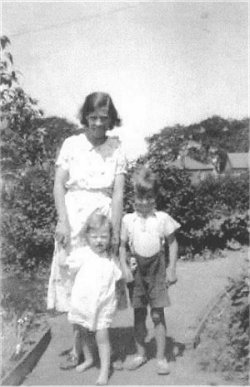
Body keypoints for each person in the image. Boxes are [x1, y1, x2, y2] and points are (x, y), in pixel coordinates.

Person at [47, 92, 127, 369]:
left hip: (100, 222)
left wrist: (115, 231)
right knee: (73, 282)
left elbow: (118, 194)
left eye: (103, 118)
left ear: (110, 119)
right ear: (85, 117)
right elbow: (59, 184)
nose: (96, 123)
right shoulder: (71, 144)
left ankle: (99, 347)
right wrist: (62, 221)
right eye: (92, 117)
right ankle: (76, 349)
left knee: (98, 283)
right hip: (73, 216)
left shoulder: (116, 148)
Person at [119, 166, 180, 375]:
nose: (144, 203)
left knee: (157, 314)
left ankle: (161, 358)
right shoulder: (128, 220)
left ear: (155, 197)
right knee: (138, 314)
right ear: (133, 196)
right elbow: (121, 246)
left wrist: (172, 268)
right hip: (136, 271)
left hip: (157, 270)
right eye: (140, 198)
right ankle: (140, 353)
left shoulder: (162, 218)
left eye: (149, 198)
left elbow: (172, 243)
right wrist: (125, 266)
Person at [66, 210, 122, 385]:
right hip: (83, 303)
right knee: (81, 332)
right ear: (87, 236)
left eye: (104, 237)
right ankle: (89, 358)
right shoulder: (82, 254)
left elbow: (118, 277)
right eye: (95, 236)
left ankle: (105, 370)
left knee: (102, 337)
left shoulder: (110, 258)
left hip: (103, 305)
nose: (99, 241)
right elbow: (68, 265)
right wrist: (61, 251)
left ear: (109, 238)